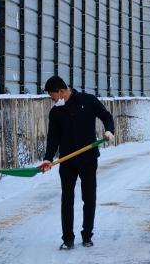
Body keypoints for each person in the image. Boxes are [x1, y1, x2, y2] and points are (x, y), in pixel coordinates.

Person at [39, 76, 115, 250]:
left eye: (52, 95)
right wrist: (48, 159)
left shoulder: (87, 101)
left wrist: (109, 130)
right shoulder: (56, 112)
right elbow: (53, 139)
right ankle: (68, 239)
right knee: (67, 199)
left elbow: (106, 115)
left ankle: (87, 235)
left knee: (89, 198)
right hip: (67, 161)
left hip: (88, 159)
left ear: (61, 91)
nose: (52, 99)